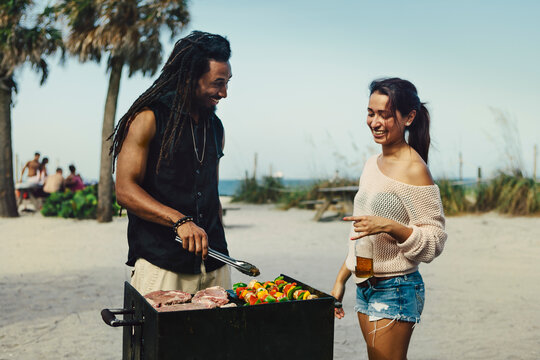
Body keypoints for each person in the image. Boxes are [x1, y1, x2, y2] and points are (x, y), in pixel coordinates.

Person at [331, 78, 447, 360]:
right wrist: (341, 280)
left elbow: (434, 241)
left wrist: (390, 226)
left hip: (396, 288)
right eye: (371, 113)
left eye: (385, 114)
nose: (375, 122)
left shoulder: (414, 168)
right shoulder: (371, 164)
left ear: (409, 117)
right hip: (365, 284)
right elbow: (361, 236)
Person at [110, 31, 233, 296]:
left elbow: (212, 194)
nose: (224, 93)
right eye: (217, 83)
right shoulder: (147, 119)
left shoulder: (216, 128)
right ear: (190, 79)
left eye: (227, 82)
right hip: (162, 266)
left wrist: (220, 244)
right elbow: (124, 190)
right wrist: (179, 220)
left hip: (216, 264)